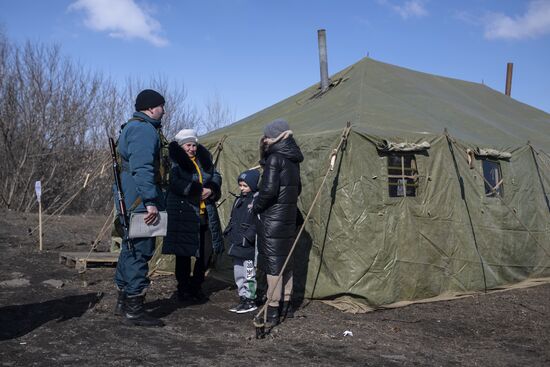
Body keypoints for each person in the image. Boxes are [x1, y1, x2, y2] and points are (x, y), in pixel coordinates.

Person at [113, 89, 169, 327]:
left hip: (132, 198)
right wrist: (151, 202)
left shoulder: (133, 127)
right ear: (150, 107)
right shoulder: (143, 130)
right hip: (139, 201)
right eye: (161, 106)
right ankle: (134, 307)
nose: (164, 110)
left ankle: (124, 300)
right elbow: (143, 168)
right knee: (140, 250)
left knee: (130, 249)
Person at [163, 128, 224, 303]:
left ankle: (196, 285)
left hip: (205, 212)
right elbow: (175, 182)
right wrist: (197, 190)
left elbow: (216, 175)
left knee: (205, 252)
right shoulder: (174, 162)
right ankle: (183, 288)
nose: (192, 149)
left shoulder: (204, 159)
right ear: (181, 146)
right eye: (188, 145)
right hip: (185, 212)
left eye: (194, 145)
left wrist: (211, 188)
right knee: (184, 253)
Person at [252, 118, 303, 326]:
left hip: (273, 218)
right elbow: (297, 189)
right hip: (288, 216)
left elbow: (269, 191)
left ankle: (272, 310)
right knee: (287, 262)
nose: (263, 141)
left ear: (272, 137)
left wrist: (254, 207)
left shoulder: (275, 159)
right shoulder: (292, 159)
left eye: (266, 137)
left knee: (274, 265)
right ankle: (287, 305)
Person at [224, 169, 261, 314]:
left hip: (249, 246)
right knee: (238, 272)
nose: (241, 188)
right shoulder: (239, 199)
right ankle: (243, 297)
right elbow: (234, 218)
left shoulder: (257, 199)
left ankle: (251, 299)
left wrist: (248, 236)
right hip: (237, 243)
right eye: (240, 185)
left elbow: (257, 222)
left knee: (249, 274)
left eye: (245, 185)